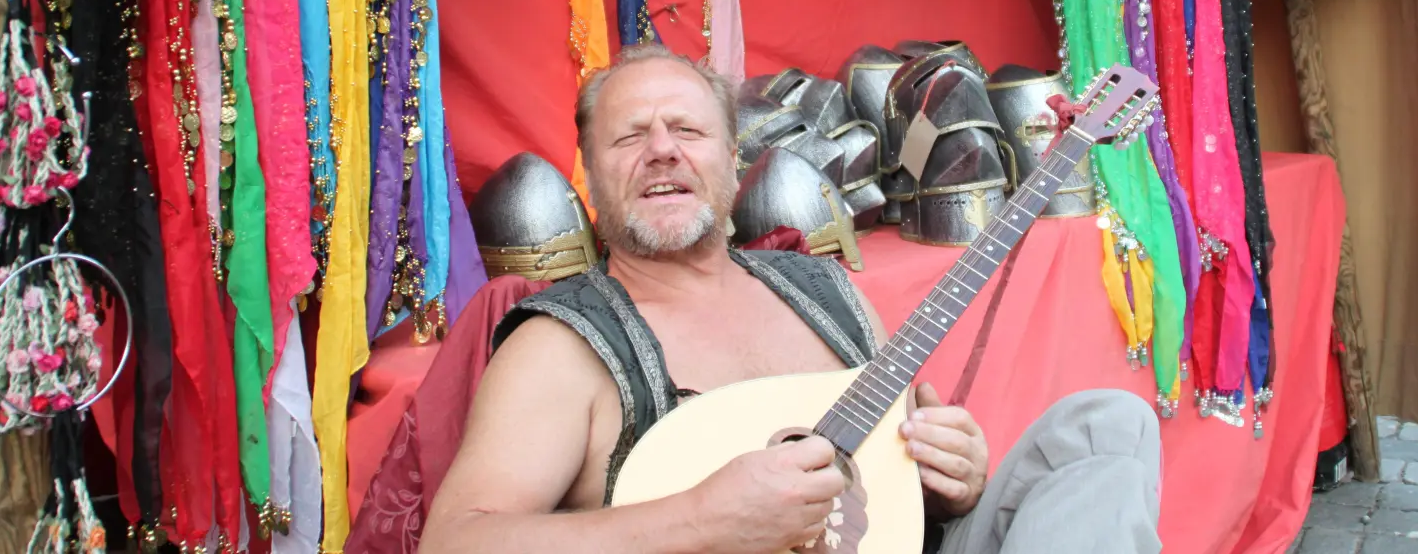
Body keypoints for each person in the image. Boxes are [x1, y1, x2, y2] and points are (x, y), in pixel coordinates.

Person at [419, 45, 1163, 554]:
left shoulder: (823, 288)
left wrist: (953, 480)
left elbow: (885, 488)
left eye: (687, 129)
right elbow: (456, 542)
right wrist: (700, 519)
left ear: (729, 158)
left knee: (1104, 428)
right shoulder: (563, 344)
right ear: (590, 173)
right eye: (628, 138)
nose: (662, 150)